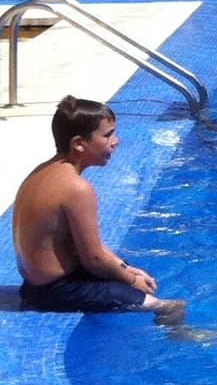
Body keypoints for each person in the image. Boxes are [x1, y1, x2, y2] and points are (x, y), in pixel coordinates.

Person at [12, 97, 183, 322]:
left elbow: (88, 247)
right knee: (168, 306)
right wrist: (131, 281)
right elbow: (93, 258)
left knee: (127, 271)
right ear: (79, 144)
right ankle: (178, 333)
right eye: (107, 135)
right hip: (54, 293)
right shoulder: (76, 188)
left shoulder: (43, 172)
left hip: (35, 286)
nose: (116, 141)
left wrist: (126, 269)